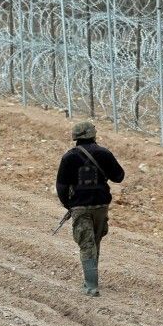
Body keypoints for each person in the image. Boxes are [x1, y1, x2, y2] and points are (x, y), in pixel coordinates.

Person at [55, 121, 125, 296]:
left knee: (86, 244)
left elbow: (61, 186)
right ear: (93, 135)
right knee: (95, 241)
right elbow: (119, 177)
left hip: (79, 206)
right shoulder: (104, 153)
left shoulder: (69, 157)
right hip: (101, 206)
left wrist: (68, 205)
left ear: (76, 138)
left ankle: (91, 286)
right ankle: (92, 281)